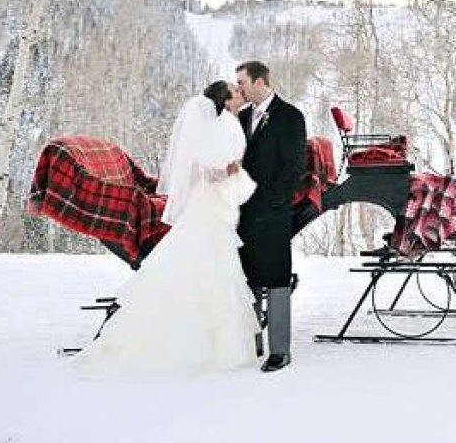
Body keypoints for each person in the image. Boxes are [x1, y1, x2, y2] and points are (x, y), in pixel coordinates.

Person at [73, 81, 259, 378]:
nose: (240, 93)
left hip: (218, 205)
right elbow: (200, 170)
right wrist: (228, 171)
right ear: (224, 101)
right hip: (207, 205)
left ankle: (216, 344)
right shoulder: (212, 128)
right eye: (235, 92)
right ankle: (195, 345)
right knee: (203, 266)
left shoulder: (228, 123)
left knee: (211, 266)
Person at [234, 60, 306, 372]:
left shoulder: (290, 116)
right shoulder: (243, 116)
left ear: (260, 81)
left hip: (273, 213)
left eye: (243, 83)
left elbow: (294, 166)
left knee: (276, 278)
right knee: (246, 278)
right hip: (241, 211)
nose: (239, 88)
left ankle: (280, 351)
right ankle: (252, 344)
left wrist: (275, 203)